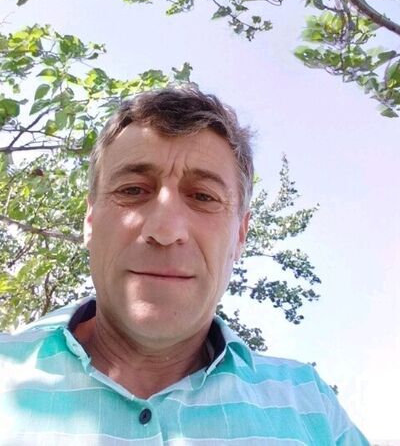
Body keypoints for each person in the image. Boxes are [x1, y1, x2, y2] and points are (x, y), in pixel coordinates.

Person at [0, 86, 369, 445]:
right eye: (132, 190)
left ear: (240, 235)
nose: (165, 230)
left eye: (203, 196)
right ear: (91, 221)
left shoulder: (312, 408)